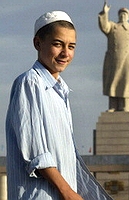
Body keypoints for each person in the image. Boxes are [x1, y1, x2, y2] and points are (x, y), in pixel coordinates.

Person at [5, 11, 112, 200]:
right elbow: (36, 152)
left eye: (71, 46)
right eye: (57, 44)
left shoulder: (60, 91)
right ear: (38, 43)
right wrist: (68, 192)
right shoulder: (30, 83)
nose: (66, 53)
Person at [98, 2, 129, 112]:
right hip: (114, 60)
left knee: (126, 82)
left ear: (128, 16)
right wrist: (105, 13)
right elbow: (104, 26)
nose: (123, 16)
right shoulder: (113, 27)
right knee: (113, 82)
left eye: (125, 14)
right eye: (121, 14)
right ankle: (113, 106)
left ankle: (125, 107)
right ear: (119, 16)